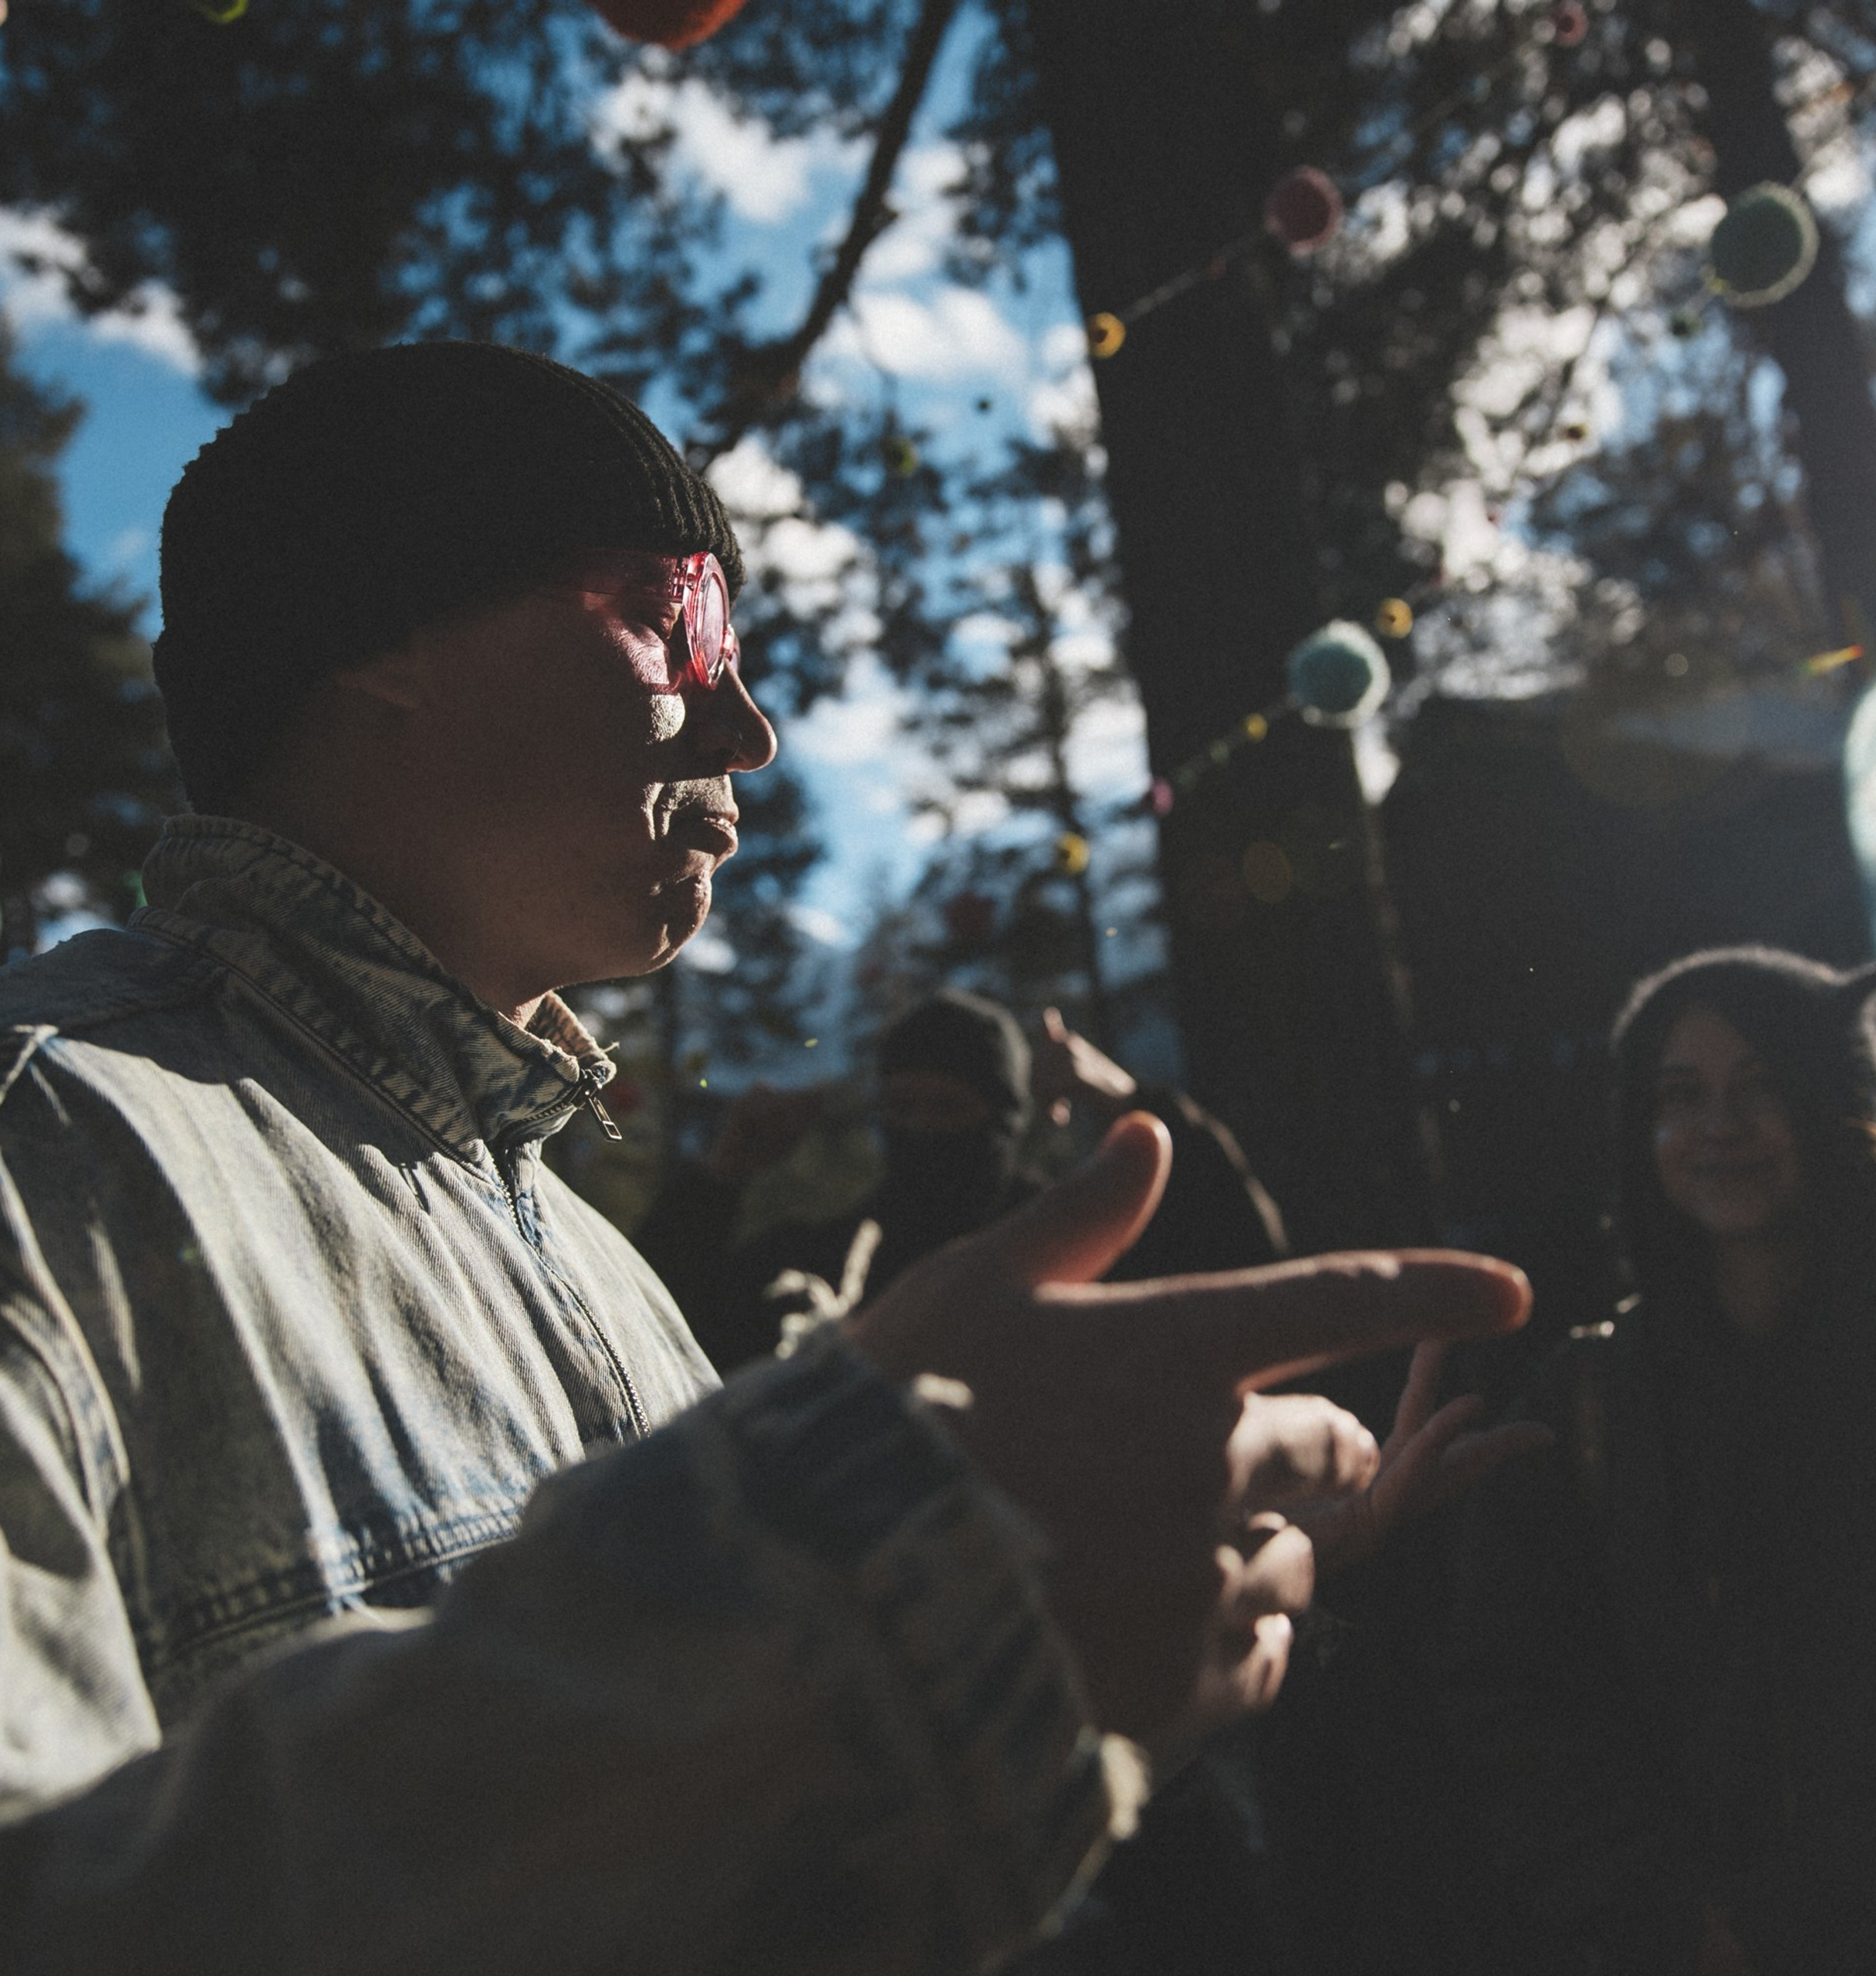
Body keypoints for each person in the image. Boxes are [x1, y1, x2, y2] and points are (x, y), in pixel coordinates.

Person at [0, 340, 1533, 1972]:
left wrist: (1132, 1574)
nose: (749, 724)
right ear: (381, 637)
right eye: (681, 623)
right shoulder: (51, 1151)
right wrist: (850, 1629)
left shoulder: (584, 1254)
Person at [1445, 946, 1876, 1975]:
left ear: (1837, 1102)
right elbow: (1517, 1702)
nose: (1717, 1126)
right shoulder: (1591, 1406)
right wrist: (1672, 1923)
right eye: (1679, 1096)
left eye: (1760, 1086)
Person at [645, 991, 1289, 1373]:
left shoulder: (1080, 1249)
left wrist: (1124, 1097)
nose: (921, 1129)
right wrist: (720, 1180)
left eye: (948, 1107)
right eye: (901, 1107)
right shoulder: (825, 1269)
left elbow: (1243, 1259)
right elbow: (652, 1328)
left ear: (1001, 1123)